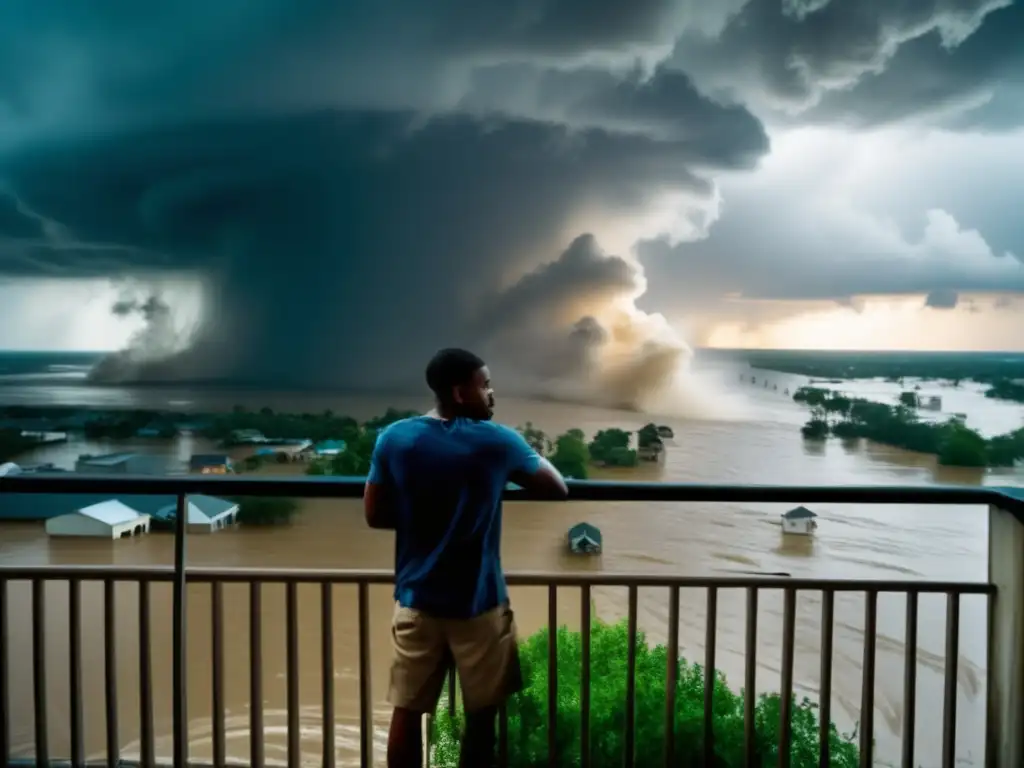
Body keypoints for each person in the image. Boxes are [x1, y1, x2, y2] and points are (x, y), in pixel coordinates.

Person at [363, 347, 569, 767]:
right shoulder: (497, 441)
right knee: (481, 719)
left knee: (407, 711)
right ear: (460, 392)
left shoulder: (395, 438)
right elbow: (556, 487)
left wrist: (426, 514)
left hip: (416, 601)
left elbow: (375, 514)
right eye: (485, 385)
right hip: (479, 605)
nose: (492, 394)